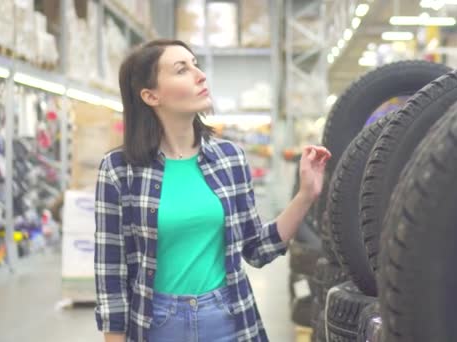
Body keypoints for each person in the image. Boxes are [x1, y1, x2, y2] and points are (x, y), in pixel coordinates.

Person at [94, 39, 331, 342]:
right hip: (157, 324)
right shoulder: (119, 169)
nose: (199, 75)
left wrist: (305, 195)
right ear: (151, 95)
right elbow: (110, 274)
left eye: (196, 65)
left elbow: (257, 248)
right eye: (182, 70)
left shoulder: (229, 158)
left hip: (227, 319)